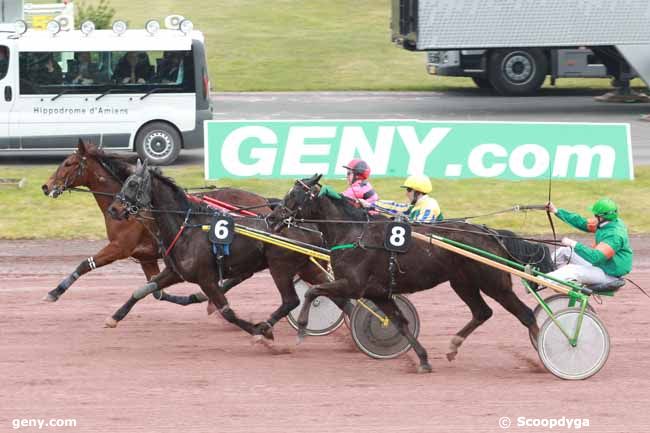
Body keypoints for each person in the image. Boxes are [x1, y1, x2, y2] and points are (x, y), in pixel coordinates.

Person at [544, 198, 633, 286]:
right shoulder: (608, 223)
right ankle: (542, 271)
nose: (594, 217)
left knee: (571, 270)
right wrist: (556, 211)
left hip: (608, 274)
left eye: (595, 215)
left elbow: (595, 257)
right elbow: (582, 222)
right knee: (565, 251)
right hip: (602, 266)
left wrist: (573, 244)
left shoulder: (614, 236)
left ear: (601, 217)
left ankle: (539, 281)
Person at [372, 174, 443, 223]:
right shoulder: (417, 205)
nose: (406, 193)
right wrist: (371, 204)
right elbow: (395, 207)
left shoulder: (429, 206)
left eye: (409, 190)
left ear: (418, 192)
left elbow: (420, 228)